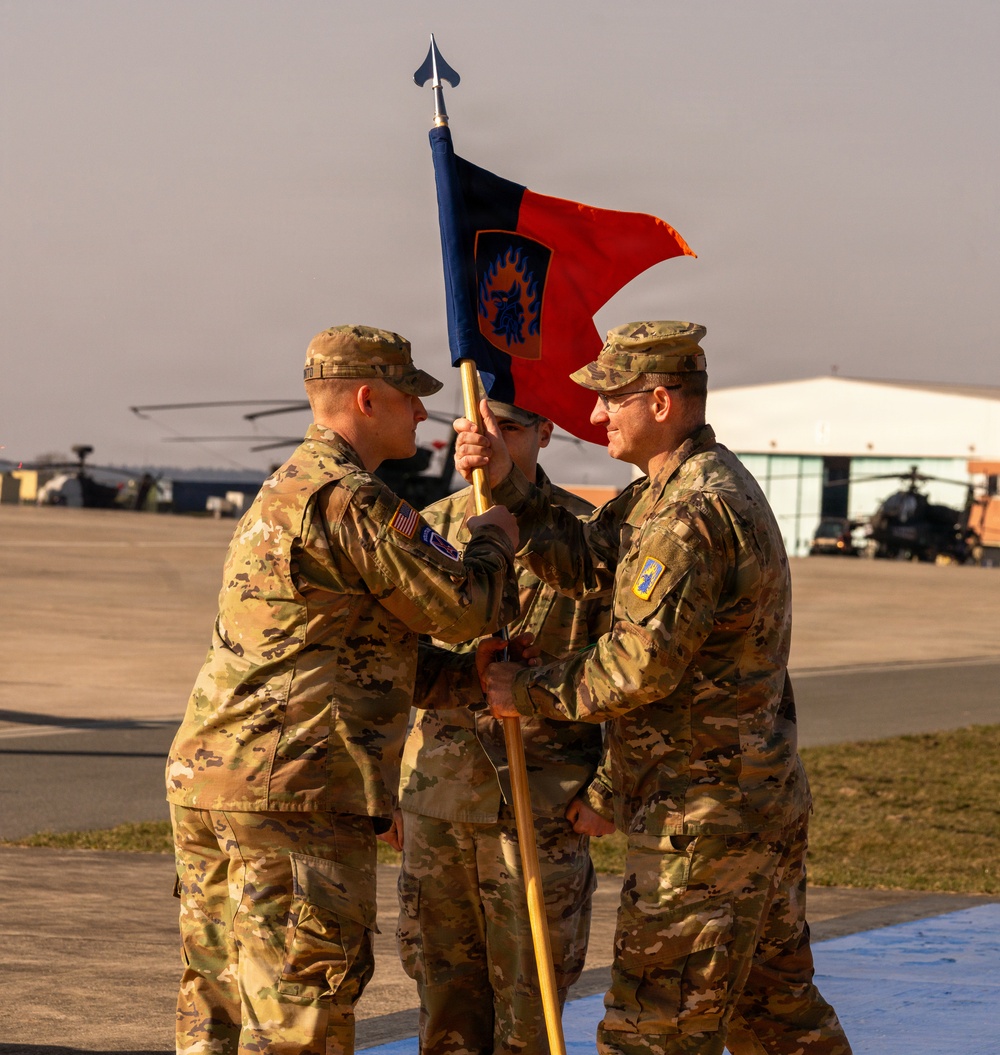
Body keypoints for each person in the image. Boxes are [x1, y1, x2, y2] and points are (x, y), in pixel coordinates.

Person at [456, 321, 853, 1055]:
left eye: (612, 398)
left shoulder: (690, 512)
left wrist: (526, 689)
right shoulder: (669, 493)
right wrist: (511, 485)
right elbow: (583, 560)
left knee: (653, 1031)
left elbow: (637, 665)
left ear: (662, 401)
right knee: (776, 1017)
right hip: (743, 804)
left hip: (701, 820)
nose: (597, 415)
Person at [165, 324, 520, 1055]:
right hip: (295, 794)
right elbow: (466, 604)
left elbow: (345, 646)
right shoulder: (352, 498)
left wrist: (465, 679)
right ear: (366, 396)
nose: (424, 415)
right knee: (300, 1016)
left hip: (213, 783)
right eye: (410, 397)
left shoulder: (283, 489)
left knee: (219, 1007)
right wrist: (493, 540)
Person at [390, 399, 615, 1055]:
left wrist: (609, 789)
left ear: (545, 431)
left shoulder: (586, 538)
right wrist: (379, 785)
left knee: (531, 1008)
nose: (484, 441)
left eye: (507, 427)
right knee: (447, 1010)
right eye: (471, 426)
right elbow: (387, 666)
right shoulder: (424, 532)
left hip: (542, 808)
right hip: (437, 804)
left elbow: (631, 668)